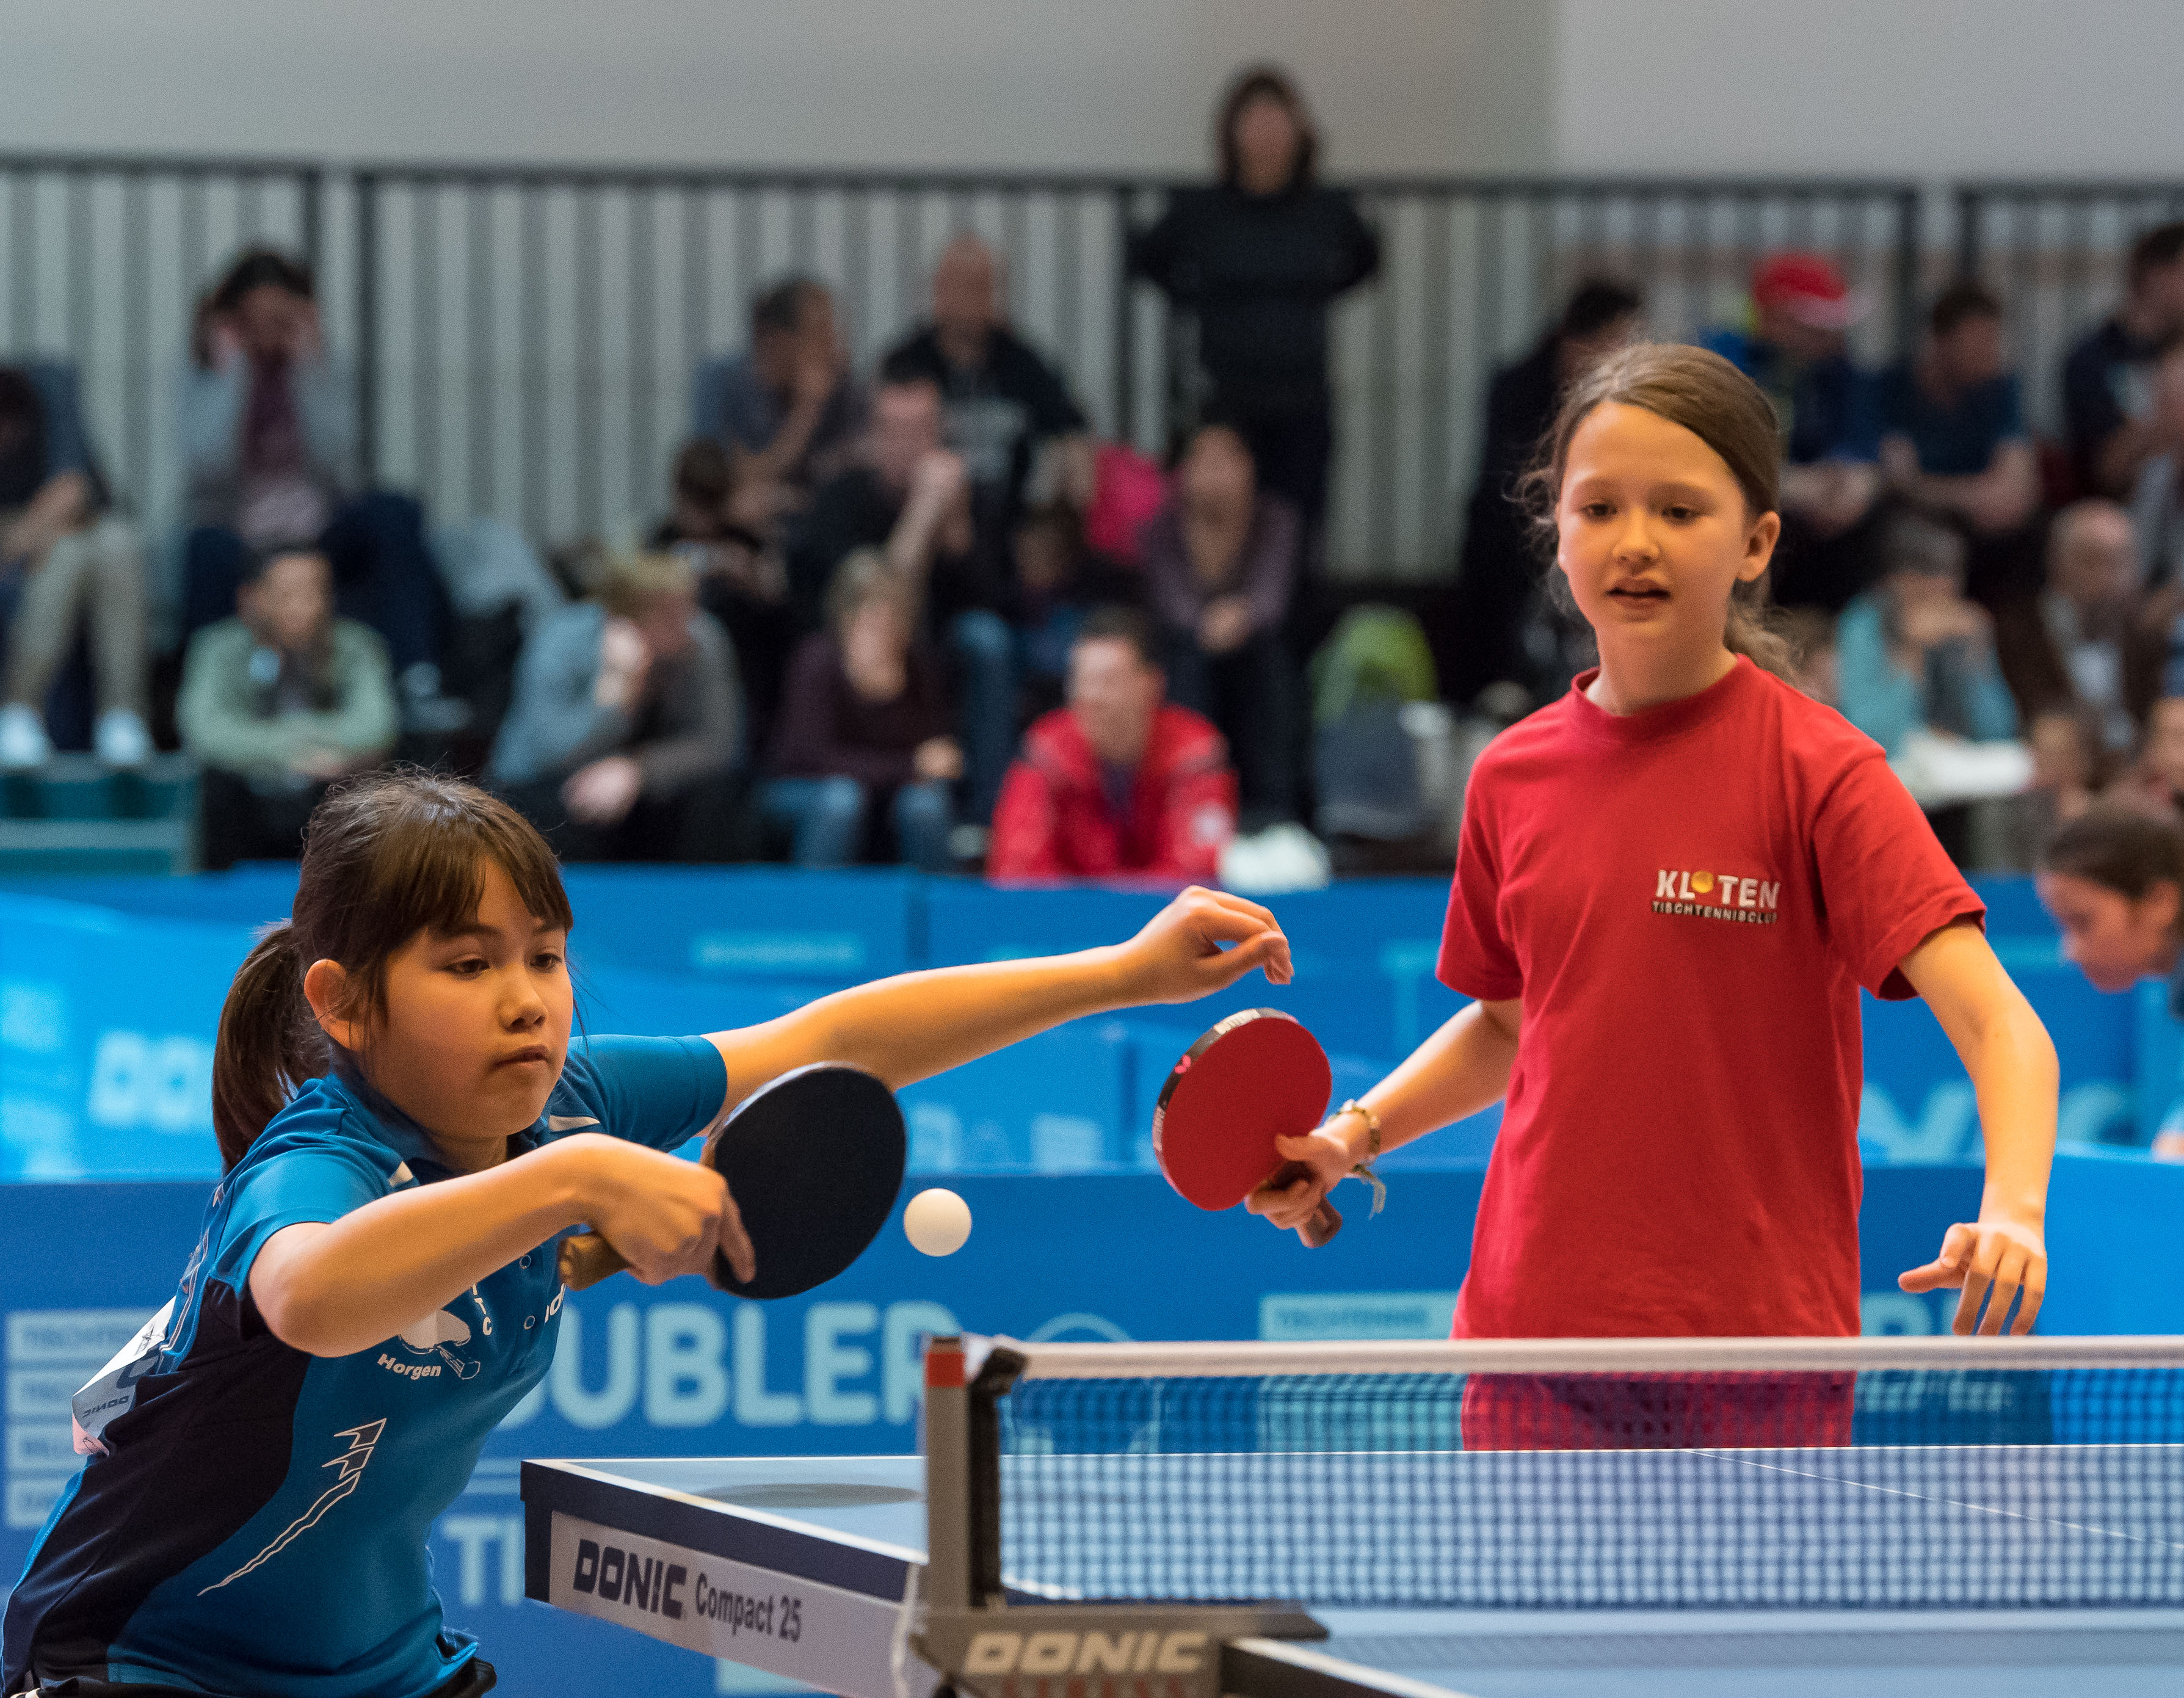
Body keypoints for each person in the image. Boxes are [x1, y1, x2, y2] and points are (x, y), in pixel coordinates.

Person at [0, 767, 1293, 1697]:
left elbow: (830, 1041)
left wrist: (1122, 972)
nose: (526, 1000)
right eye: (468, 965)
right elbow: (310, 1295)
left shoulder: (570, 1106)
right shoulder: (316, 1166)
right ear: (343, 1003)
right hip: (145, 1661)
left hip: (380, 1666)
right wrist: (574, 1183)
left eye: (544, 956)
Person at [1248, 344, 2057, 1451]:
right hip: (1534, 1343)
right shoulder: (1510, 776)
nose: (1635, 541)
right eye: (1600, 508)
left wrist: (2014, 1206)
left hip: (1757, 1354)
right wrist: (1352, 1136)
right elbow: (1511, 1023)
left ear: (1754, 543)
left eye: (1679, 511)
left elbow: (2000, 1022)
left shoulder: (1823, 773)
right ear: (1558, 532)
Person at [178, 247, 462, 731]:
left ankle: (416, 676)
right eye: (255, 321)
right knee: (201, 549)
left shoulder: (318, 367)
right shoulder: (207, 373)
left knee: (395, 510)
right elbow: (208, 463)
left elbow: (336, 452)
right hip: (242, 536)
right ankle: (207, 698)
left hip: (317, 533)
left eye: (280, 320)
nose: (268, 333)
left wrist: (309, 367)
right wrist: (236, 373)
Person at [1128, 65, 1380, 532]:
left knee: (1298, 524)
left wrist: (1317, 293)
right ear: (1231, 132)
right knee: (1222, 522)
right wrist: (1198, 296)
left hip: (1302, 395)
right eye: (1253, 121)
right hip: (1227, 394)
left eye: (1276, 120)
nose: (1265, 135)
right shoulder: (1204, 210)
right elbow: (1146, 256)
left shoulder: (1324, 209)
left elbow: (1366, 258)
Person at [791, 372, 1014, 824]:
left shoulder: (973, 498)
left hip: (931, 657)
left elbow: (1000, 601)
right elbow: (869, 600)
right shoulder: (842, 499)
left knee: (987, 639)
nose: (909, 446)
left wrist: (958, 535)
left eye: (921, 432)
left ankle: (987, 819)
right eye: (896, 432)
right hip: (855, 655)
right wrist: (921, 515)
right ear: (874, 437)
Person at [1442, 280, 1644, 706]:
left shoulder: (1619, 398)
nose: (1623, 353)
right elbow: (1510, 474)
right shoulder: (1519, 385)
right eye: (1616, 341)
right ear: (1582, 341)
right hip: (1516, 532)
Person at [487, 549, 744, 863]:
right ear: (623, 619)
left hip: (644, 786)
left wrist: (637, 770)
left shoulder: (703, 640)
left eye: (690, 606)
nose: (688, 624)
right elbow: (550, 754)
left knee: (720, 796)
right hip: (543, 781)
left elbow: (716, 745)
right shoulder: (562, 639)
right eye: (670, 615)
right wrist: (616, 697)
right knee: (564, 806)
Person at [177, 544, 398, 869]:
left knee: (375, 774)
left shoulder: (357, 645)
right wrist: (293, 753)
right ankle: (218, 893)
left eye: (315, 592)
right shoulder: (217, 648)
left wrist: (313, 754)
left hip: (328, 790)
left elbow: (376, 726)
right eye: (288, 593)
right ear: (251, 598)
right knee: (216, 783)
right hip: (247, 795)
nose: (305, 606)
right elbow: (206, 732)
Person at [880, 235, 1090, 571]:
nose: (969, 300)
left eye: (981, 287)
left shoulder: (1024, 365)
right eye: (959, 286)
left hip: (1012, 525)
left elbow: (1070, 430)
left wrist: (1060, 498)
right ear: (937, 291)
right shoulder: (907, 363)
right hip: (931, 520)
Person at [989, 606, 1237, 881]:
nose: (1090, 697)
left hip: (1164, 910)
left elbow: (1197, 871)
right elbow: (1018, 871)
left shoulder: (1196, 755)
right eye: (1081, 681)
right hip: (1069, 910)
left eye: (1108, 681)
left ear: (1152, 684)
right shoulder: (1045, 751)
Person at [1139, 421, 1302, 824]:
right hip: (1187, 652)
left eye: (1227, 460)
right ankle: (1189, 799)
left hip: (1256, 651)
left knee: (1271, 666)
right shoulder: (1160, 529)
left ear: (1250, 467)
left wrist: (1238, 619)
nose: (1216, 473)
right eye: (1204, 461)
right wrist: (1207, 624)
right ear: (1183, 472)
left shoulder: (1277, 520)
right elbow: (1172, 603)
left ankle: (1274, 813)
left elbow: (1271, 599)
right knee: (1183, 665)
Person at [1703, 252, 1884, 612]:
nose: (1832, 337)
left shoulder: (1836, 368)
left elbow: (1861, 447)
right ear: (1774, 318)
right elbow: (1716, 464)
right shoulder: (1721, 367)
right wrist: (1798, 487)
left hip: (1822, 521)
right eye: (1816, 326)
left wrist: (1854, 488)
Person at [764, 550, 957, 871]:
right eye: (873, 614)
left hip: (886, 789)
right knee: (842, 799)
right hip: (803, 788)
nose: (887, 626)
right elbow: (812, 758)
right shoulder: (817, 661)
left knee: (925, 804)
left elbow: (936, 755)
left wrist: (888, 698)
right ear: (846, 616)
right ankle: (816, 900)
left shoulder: (915, 667)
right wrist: (908, 765)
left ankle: (940, 900)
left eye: (896, 614)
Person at [0, 361, 151, 768]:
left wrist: (33, 531)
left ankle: (121, 717)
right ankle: (20, 710)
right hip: (39, 544)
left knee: (115, 541)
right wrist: (35, 531)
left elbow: (74, 491)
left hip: (69, 542)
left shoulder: (48, 400)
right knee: (69, 549)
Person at [1876, 278, 2042, 599]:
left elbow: (2015, 491)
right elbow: (1894, 483)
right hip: (1917, 521)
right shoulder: (1894, 389)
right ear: (1940, 341)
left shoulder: (2000, 389)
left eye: (1994, 340)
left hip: (1980, 525)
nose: (1990, 352)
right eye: (1978, 341)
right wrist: (1978, 492)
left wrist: (1926, 487)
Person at [649, 436, 795, 753]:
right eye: (694, 502)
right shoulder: (660, 543)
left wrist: (752, 580)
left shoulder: (746, 544)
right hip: (672, 679)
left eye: (711, 504)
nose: (701, 518)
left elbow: (781, 612)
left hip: (743, 682)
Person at [1837, 512, 2022, 758]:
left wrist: (1977, 658)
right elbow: (1872, 734)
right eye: (1927, 575)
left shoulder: (1962, 624)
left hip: (1961, 768)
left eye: (1950, 575)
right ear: (1896, 579)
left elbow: (2000, 733)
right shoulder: (1864, 624)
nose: (1942, 589)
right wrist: (1909, 651)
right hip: (1895, 769)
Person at [1995, 499, 2161, 755]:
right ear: (2058, 561)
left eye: (2122, 561)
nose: (2111, 577)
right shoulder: (2017, 631)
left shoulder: (2146, 632)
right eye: (2093, 560)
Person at [690, 275, 864, 515]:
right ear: (780, 340)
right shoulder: (721, 381)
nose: (834, 347)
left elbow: (851, 474)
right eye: (821, 335)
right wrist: (806, 412)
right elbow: (717, 486)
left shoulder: (841, 388)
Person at [2062, 221, 2184, 498]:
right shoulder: (2092, 359)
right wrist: (2164, 422)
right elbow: (2101, 473)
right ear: (2156, 275)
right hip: (2115, 510)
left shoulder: (2175, 349)